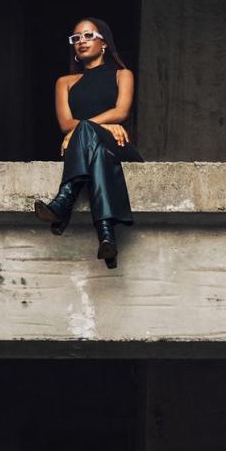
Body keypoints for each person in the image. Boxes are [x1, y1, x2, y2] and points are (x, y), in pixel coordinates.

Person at [34, 17, 143, 269]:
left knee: (86, 131)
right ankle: (106, 236)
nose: (81, 41)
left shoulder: (122, 74)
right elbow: (65, 124)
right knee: (99, 154)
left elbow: (121, 111)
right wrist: (100, 127)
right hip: (99, 150)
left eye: (88, 36)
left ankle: (64, 201)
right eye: (76, 38)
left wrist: (83, 129)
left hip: (120, 146)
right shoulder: (65, 83)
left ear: (104, 43)